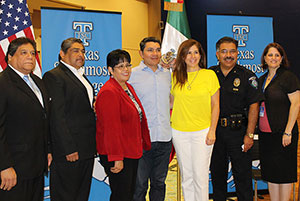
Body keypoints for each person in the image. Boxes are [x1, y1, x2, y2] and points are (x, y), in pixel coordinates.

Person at [43, 38, 96, 201]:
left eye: (82, 51)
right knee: (66, 195)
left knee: (81, 194)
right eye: (75, 50)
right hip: (69, 151)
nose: (80, 54)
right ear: (62, 54)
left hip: (86, 149)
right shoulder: (54, 76)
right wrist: (68, 148)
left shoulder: (81, 76)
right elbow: (57, 116)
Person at [210, 36, 262, 201]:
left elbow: (254, 106)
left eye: (232, 51)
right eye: (224, 51)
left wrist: (250, 134)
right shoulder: (209, 74)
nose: (228, 55)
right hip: (215, 132)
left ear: (237, 53)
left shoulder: (247, 76)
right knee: (217, 175)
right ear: (217, 54)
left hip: (238, 132)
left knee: (242, 176)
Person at [95, 49, 151, 201]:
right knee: (121, 195)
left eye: (128, 65)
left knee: (127, 193)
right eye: (120, 66)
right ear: (110, 70)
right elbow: (111, 129)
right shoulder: (109, 92)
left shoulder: (126, 87)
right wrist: (117, 158)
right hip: (118, 154)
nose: (126, 69)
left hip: (130, 150)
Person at [0, 37, 51, 201]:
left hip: (37, 165)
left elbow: (43, 119)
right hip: (14, 168)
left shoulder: (38, 82)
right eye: (24, 53)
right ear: (10, 57)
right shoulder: (3, 83)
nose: (30, 57)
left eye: (32, 53)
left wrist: (48, 150)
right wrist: (5, 166)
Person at [171, 39, 220, 201]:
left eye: (196, 52)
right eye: (188, 52)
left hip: (203, 132)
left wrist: (212, 130)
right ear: (182, 56)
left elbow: (216, 105)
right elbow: (171, 102)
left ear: (201, 55)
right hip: (179, 131)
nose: (192, 56)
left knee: (200, 175)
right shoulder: (176, 76)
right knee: (187, 175)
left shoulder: (209, 75)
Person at [128, 37, 172, 201]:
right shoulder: (132, 75)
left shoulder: (167, 74)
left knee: (159, 183)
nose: (155, 54)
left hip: (164, 138)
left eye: (157, 50)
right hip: (141, 139)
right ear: (141, 53)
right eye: (150, 50)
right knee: (139, 186)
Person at [258, 43, 300, 201]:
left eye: (277, 55)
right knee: (271, 174)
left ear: (282, 58)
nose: (273, 58)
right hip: (266, 135)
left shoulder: (288, 77)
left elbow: (296, 104)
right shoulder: (262, 79)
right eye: (270, 55)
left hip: (284, 134)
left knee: (284, 174)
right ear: (264, 58)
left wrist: (288, 131)